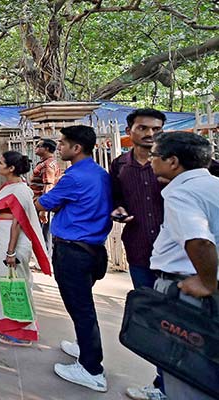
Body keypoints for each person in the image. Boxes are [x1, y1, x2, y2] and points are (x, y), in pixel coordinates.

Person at [35, 125, 112, 393]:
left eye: (63, 143)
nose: (59, 147)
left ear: (77, 148)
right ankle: (85, 346)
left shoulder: (74, 177)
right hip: (92, 248)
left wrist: (46, 201)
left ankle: (92, 369)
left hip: (73, 250)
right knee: (82, 304)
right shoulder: (99, 173)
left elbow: (44, 203)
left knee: (81, 307)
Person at [148, 131, 219, 400]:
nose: (151, 161)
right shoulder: (213, 185)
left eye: (155, 155)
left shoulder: (180, 193)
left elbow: (199, 241)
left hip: (188, 293)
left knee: (185, 371)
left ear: (173, 161)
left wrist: (206, 282)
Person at [109, 108, 167, 400]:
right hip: (140, 250)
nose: (150, 134)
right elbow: (116, 199)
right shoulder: (119, 165)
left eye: (156, 129)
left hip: (179, 258)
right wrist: (118, 210)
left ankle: (172, 386)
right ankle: (163, 384)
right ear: (129, 131)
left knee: (183, 324)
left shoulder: (177, 160)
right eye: (143, 128)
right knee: (154, 319)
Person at [0, 151, 51, 346]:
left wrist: (10, 252)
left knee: (16, 286)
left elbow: (18, 223)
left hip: (11, 244)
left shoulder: (20, 191)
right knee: (3, 284)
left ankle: (21, 332)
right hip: (2, 240)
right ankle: (8, 325)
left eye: (1, 163)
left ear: (11, 168)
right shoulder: (11, 187)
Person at [29, 138, 60, 252]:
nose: (36, 148)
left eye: (39, 146)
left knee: (43, 234)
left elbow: (48, 186)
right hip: (40, 202)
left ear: (46, 148)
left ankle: (45, 256)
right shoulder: (45, 163)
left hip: (42, 203)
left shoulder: (48, 165)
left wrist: (44, 209)